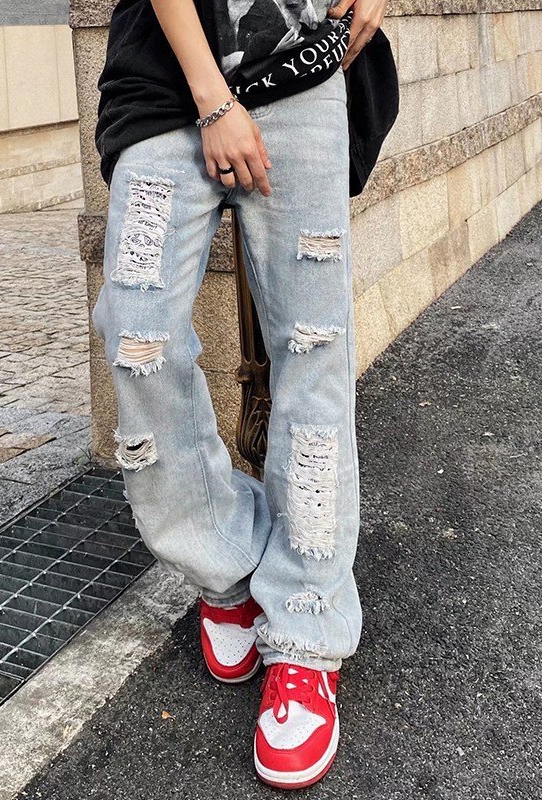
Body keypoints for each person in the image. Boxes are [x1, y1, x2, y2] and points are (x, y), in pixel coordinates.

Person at [93, 0, 388, 788]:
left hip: (303, 76)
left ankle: (307, 624)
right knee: (138, 337)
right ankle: (224, 560)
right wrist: (214, 100)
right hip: (166, 78)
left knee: (315, 351)